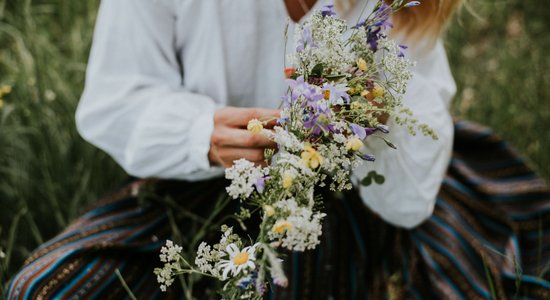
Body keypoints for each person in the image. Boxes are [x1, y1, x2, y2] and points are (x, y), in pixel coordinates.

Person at [7, 0, 550, 299]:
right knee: (47, 289)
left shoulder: (398, 7)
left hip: (351, 199)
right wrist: (203, 133)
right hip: (201, 187)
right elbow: (113, 99)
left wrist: (376, 117)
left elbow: (406, 201)